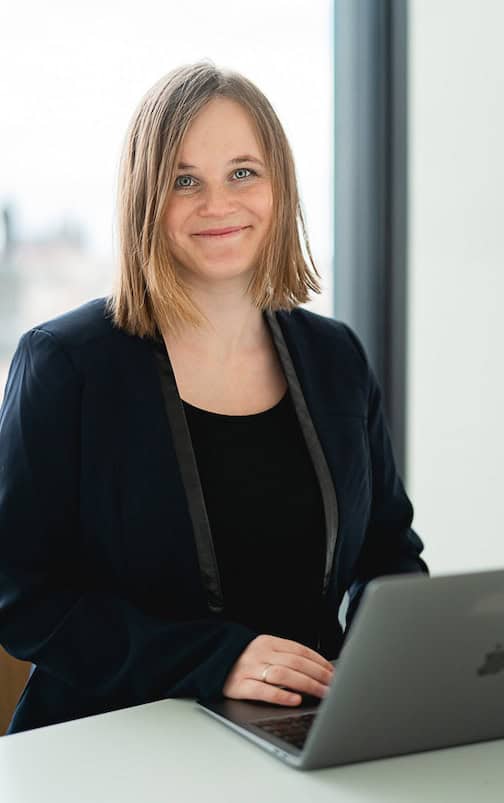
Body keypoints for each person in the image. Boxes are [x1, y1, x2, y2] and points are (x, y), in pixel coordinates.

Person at [0, 60, 428, 735]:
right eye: (183, 181)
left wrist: (385, 661)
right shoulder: (66, 365)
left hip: (303, 734)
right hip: (114, 744)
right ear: (146, 197)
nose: (218, 204)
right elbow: (22, 596)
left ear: (279, 185)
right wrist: (216, 658)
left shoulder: (334, 357)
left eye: (243, 172)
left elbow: (388, 550)